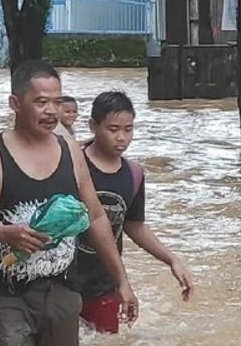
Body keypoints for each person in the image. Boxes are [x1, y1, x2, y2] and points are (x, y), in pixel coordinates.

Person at [0, 61, 138, 346]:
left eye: (57, 102)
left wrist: (122, 281)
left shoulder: (70, 151)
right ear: (15, 103)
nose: (51, 111)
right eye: (41, 102)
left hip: (62, 291)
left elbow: (95, 216)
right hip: (5, 295)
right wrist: (5, 233)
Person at [76, 91, 193, 333]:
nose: (121, 137)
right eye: (113, 129)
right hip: (63, 280)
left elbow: (134, 225)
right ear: (93, 126)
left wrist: (171, 260)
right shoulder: (72, 162)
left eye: (128, 129)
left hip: (104, 282)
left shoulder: (133, 174)